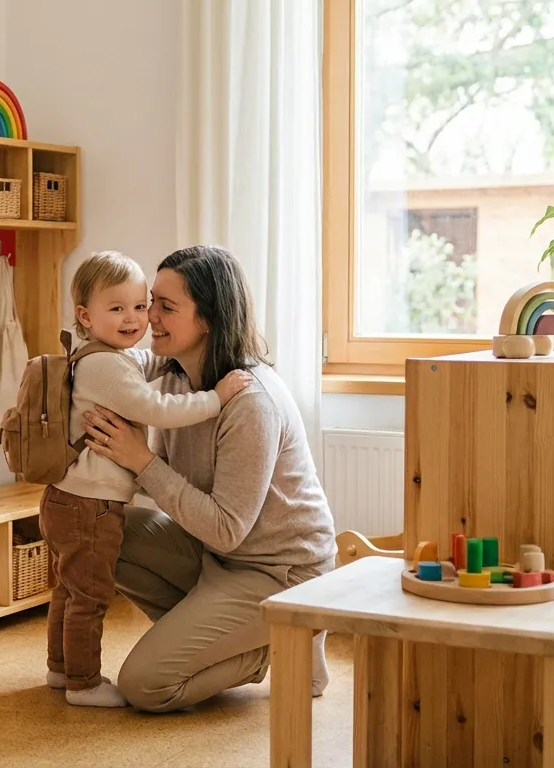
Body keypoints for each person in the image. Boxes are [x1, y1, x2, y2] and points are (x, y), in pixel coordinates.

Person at [81, 245, 336, 713]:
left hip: (281, 573)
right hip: (218, 556)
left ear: (208, 320)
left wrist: (140, 460)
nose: (147, 316)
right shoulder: (178, 377)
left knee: (144, 686)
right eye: (149, 300)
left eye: (165, 307)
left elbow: (226, 526)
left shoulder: (250, 402)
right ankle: (215, 637)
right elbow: (169, 478)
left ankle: (273, 643)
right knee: (97, 534)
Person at [41, 251, 254, 708]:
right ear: (85, 315)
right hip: (89, 504)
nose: (141, 318)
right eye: (121, 308)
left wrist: (169, 355)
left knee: (71, 587)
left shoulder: (99, 358)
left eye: (145, 306)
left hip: (70, 501)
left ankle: (60, 670)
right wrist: (215, 398)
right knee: (89, 596)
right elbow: (156, 408)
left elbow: (144, 365)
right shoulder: (109, 366)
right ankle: (82, 682)